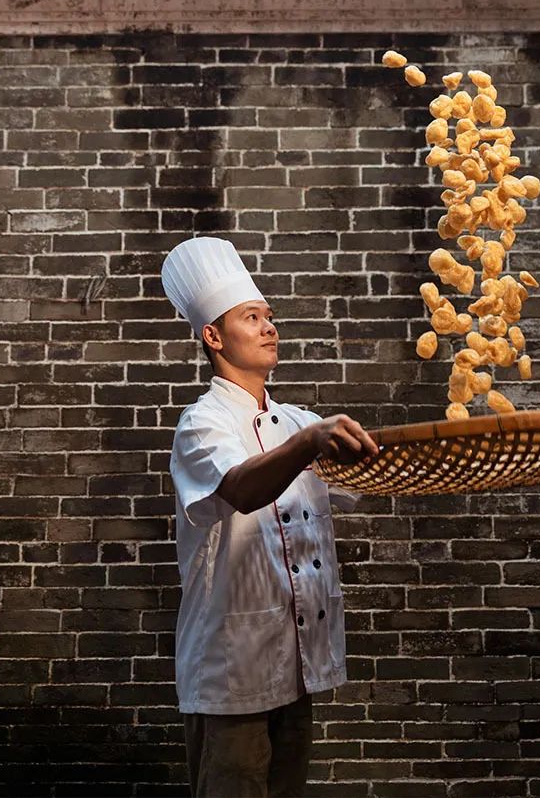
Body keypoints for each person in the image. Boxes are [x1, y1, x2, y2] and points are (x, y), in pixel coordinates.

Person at [161, 236, 379, 798]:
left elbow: (368, 477)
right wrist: (310, 442)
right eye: (252, 317)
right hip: (233, 670)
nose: (269, 328)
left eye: (270, 317)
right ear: (213, 336)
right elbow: (239, 486)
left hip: (295, 663)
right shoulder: (202, 424)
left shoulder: (295, 421)